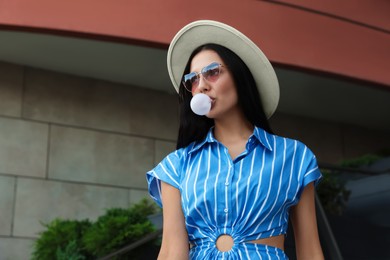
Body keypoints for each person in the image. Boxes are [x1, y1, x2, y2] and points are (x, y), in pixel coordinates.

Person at [146, 20, 324, 259]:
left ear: (240, 76)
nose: (202, 86)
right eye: (193, 79)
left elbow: (310, 250)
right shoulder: (176, 166)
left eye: (212, 72)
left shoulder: (295, 157)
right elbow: (171, 251)